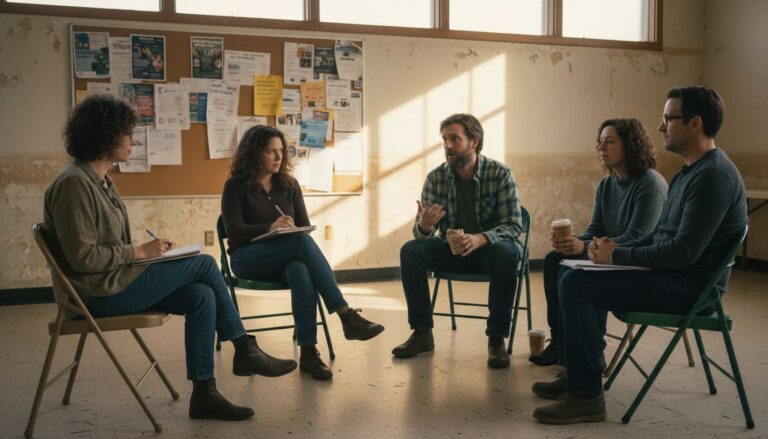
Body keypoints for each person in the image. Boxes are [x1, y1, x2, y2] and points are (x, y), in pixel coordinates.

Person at [44, 96, 298, 422]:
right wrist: (138, 252)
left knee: (201, 295)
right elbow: (82, 258)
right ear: (105, 137)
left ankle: (204, 394)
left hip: (114, 280)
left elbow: (100, 248)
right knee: (205, 264)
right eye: (127, 133)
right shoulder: (74, 185)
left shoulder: (102, 182)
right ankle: (244, 349)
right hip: (95, 295)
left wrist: (147, 252)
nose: (132, 140)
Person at [532, 86, 747, 424]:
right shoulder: (690, 171)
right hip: (671, 275)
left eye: (668, 119)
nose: (661, 127)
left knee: (576, 284)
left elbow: (683, 252)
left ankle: (585, 396)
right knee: (569, 272)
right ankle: (578, 376)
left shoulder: (713, 176)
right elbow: (662, 238)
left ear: (694, 123)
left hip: (690, 288)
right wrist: (612, 252)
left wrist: (617, 256)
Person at [221, 125, 385, 381]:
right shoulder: (235, 186)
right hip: (247, 259)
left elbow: (303, 226)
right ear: (254, 154)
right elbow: (234, 231)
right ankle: (345, 314)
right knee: (300, 245)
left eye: (280, 151)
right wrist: (270, 227)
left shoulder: (290, 185)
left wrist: (288, 230)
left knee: (300, 269)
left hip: (283, 256)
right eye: (270, 151)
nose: (278, 157)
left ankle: (308, 352)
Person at [531, 118, 668, 367]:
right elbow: (595, 230)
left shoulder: (650, 183)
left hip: (637, 263)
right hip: (608, 255)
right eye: (600, 142)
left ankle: (593, 352)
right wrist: (572, 242)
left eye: (610, 142)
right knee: (554, 259)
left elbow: (637, 238)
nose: (601, 148)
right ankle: (561, 343)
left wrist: (584, 248)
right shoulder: (606, 185)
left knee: (575, 276)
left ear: (630, 145)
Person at [392, 113, 523, 369]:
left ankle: (496, 340)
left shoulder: (500, 174)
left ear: (474, 141)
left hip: (490, 252)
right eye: (444, 140)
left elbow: (513, 225)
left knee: (506, 253)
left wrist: (481, 238)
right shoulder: (436, 178)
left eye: (455, 139)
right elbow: (421, 235)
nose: (447, 146)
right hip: (453, 251)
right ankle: (422, 333)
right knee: (410, 251)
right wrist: (425, 226)